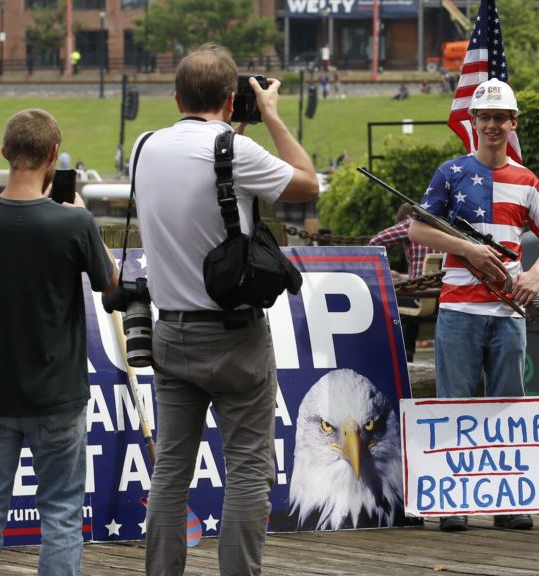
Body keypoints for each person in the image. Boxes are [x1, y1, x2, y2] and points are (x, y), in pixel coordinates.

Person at [130, 43, 319, 575]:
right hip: (235, 336)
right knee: (247, 472)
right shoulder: (232, 151)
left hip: (171, 331)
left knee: (170, 472)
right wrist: (274, 118)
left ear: (175, 98)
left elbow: (198, 176)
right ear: (234, 99)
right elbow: (306, 183)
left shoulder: (145, 146)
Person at [0, 109, 118, 575]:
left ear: (6, 152)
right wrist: (85, 217)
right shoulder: (72, 224)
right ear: (54, 156)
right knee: (62, 518)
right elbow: (109, 282)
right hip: (58, 396)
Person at [409, 78, 539, 533]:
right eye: (485, 117)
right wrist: (469, 249)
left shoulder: (526, 179)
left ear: (513, 123)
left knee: (507, 406)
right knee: (452, 403)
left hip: (509, 310)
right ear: (472, 122)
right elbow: (418, 230)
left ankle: (508, 500)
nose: (492, 124)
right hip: (459, 307)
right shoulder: (451, 172)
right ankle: (453, 501)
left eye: (500, 117)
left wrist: (535, 275)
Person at [368, 204, 441, 361]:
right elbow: (427, 274)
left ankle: (404, 354)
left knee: (388, 299)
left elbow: (375, 242)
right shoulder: (442, 224)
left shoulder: (411, 223)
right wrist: (401, 276)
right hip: (441, 296)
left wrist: (381, 271)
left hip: (420, 297)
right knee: (410, 294)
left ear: (408, 216)